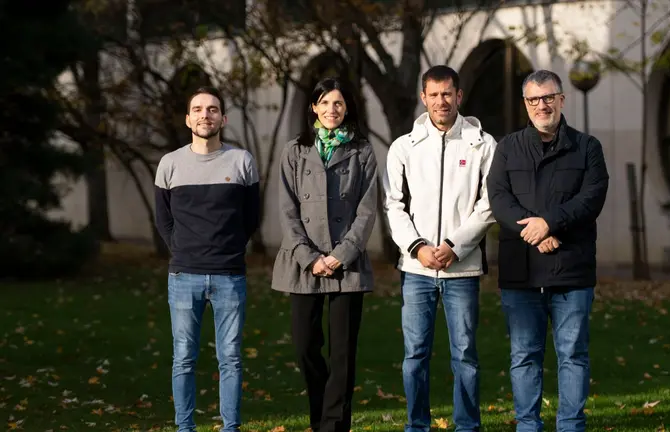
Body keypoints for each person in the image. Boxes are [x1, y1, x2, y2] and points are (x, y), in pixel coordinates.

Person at [486, 69, 609, 432]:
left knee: (572, 355)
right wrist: (536, 230)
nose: (542, 105)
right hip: (520, 271)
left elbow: (592, 198)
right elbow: (498, 198)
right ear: (525, 104)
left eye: (549, 97)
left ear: (562, 100)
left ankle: (570, 426)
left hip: (572, 268)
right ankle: (528, 426)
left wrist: (550, 223)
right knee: (524, 356)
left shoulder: (587, 147)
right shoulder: (508, 147)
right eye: (534, 99)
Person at [383, 65, 497, 432]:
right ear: (423, 97)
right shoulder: (404, 147)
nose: (440, 101)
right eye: (433, 95)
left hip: (461, 269)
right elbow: (393, 204)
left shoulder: (482, 143)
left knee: (465, 354)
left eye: (447, 93)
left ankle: (467, 425)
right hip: (416, 271)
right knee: (414, 355)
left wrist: (454, 245)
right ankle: (417, 426)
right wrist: (417, 248)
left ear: (459, 96)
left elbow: (489, 203)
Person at [271, 77, 378, 432]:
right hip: (304, 264)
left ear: (347, 108)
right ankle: (319, 417)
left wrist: (342, 254)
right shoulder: (294, 150)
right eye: (325, 102)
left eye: (339, 103)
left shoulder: (362, 151)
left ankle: (333, 425)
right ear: (314, 107)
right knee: (305, 347)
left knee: (343, 355)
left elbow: (366, 209)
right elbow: (286, 208)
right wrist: (309, 256)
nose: (332, 109)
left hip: (346, 265)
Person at [154, 86, 259, 432]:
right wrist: (182, 249)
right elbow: (164, 219)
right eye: (198, 109)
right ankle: (185, 428)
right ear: (188, 119)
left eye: (212, 109)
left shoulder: (242, 161)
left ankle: (231, 427)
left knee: (230, 359)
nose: (205, 115)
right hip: (184, 276)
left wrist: (229, 248)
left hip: (230, 275)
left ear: (223, 118)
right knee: (183, 358)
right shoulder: (170, 164)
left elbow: (251, 218)